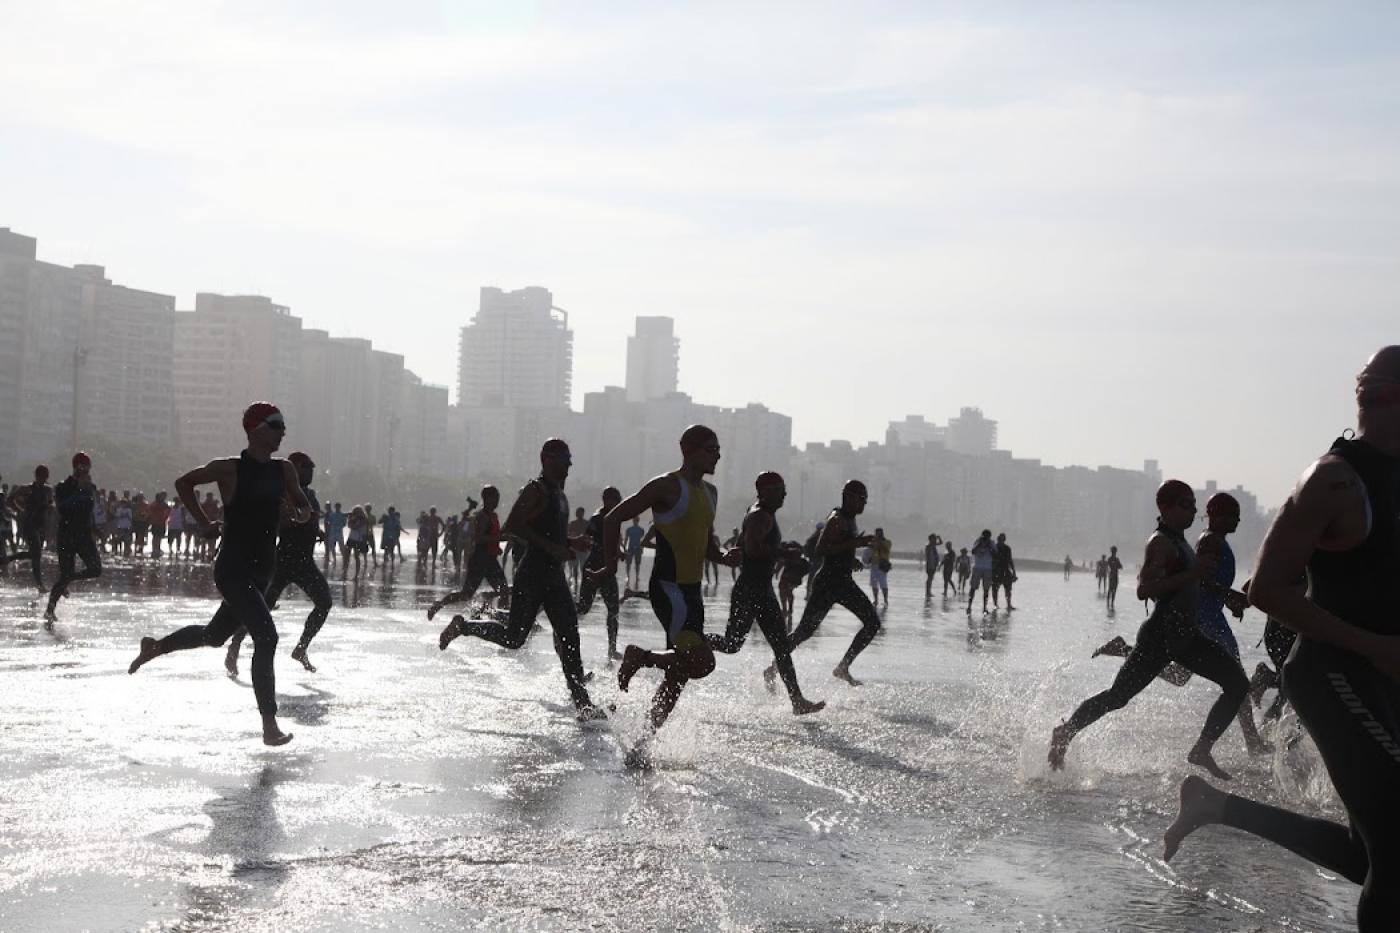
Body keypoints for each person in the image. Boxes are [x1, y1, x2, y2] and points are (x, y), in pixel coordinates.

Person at [1163, 347, 1400, 929]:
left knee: (1371, 852)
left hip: (1386, 677)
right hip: (1334, 673)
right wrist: (1373, 647)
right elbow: (1265, 588)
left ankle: (1214, 805)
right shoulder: (1333, 482)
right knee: (1397, 852)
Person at [128, 402, 311, 746]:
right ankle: (269, 725)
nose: (282, 431)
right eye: (276, 425)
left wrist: (296, 515)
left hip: (262, 571)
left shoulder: (284, 471)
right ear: (255, 429)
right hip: (232, 568)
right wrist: (202, 521)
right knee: (267, 637)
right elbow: (184, 483)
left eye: (283, 425)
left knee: (214, 636)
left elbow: (304, 509)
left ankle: (156, 646)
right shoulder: (228, 469)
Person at [1048, 480, 1248, 780]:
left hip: (1187, 636)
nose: (1192, 510)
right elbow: (1145, 589)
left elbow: (1193, 581)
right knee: (1117, 697)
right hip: (1161, 636)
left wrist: (1225, 594)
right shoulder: (1161, 542)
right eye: (1185, 504)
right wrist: (1193, 574)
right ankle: (1065, 732)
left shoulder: (1181, 542)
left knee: (1238, 684)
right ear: (1164, 507)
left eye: (1194, 505)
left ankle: (1202, 749)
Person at [590, 425, 727, 767]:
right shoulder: (666, 486)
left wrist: (725, 556)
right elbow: (613, 518)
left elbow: (708, 545)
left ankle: (641, 746)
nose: (717, 455)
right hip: (668, 589)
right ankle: (640, 656)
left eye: (719, 449)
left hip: (692, 594)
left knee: (678, 676)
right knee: (702, 662)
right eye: (712, 449)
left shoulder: (711, 493)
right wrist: (609, 566)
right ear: (689, 450)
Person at [438, 441, 603, 720]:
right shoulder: (535, 490)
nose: (569, 464)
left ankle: (583, 703)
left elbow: (550, 533)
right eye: (564, 459)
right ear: (547, 459)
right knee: (515, 638)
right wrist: (552, 548)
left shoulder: (560, 495)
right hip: (532, 573)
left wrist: (572, 541)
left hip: (554, 574)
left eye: (570, 458)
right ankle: (463, 626)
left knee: (569, 633)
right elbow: (513, 526)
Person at [708, 472, 825, 716]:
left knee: (778, 646)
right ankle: (694, 640)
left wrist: (780, 549)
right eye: (780, 489)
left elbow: (744, 545)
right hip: (753, 589)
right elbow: (752, 548)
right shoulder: (760, 515)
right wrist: (784, 554)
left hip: (759, 588)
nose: (784, 494)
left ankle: (797, 700)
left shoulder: (759, 512)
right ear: (766, 491)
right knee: (733, 644)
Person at [225, 450, 332, 675]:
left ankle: (302, 647)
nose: (311, 471)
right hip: (281, 562)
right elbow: (279, 522)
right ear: (294, 470)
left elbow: (308, 519)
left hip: (304, 562)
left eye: (312, 467)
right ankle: (234, 645)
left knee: (324, 603)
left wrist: (315, 531)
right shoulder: (283, 493)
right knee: (260, 609)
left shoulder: (309, 494)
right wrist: (296, 521)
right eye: (306, 467)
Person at [771, 479, 882, 687]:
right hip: (828, 584)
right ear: (848, 497)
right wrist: (855, 543)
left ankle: (843, 666)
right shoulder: (836, 518)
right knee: (804, 632)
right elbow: (821, 549)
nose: (864, 504)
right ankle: (772, 668)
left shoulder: (850, 519)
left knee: (873, 623)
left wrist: (851, 559)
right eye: (861, 499)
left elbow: (839, 547)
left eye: (865, 500)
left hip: (844, 582)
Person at [428, 485, 509, 625]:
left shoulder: (493, 516)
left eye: (498, 499)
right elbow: (478, 538)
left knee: (504, 590)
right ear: (487, 499)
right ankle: (439, 604)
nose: (497, 502)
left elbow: (496, 534)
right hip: (479, 559)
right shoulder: (482, 516)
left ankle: (502, 620)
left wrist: (506, 535)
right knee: (466, 594)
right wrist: (498, 538)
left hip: (491, 559)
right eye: (495, 498)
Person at [44, 453, 101, 622]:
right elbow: (62, 508)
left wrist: (95, 527)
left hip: (84, 534)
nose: (84, 470)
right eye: (81, 467)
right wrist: (79, 489)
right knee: (65, 573)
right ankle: (49, 609)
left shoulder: (91, 486)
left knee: (95, 569)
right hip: (67, 534)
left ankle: (69, 579)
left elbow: (89, 510)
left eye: (86, 467)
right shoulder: (63, 486)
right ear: (75, 467)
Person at [575, 487, 624, 662]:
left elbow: (618, 540)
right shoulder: (597, 519)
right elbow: (586, 538)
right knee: (583, 607)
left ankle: (612, 649)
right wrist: (601, 548)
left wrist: (620, 550)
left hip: (608, 570)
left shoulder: (617, 518)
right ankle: (557, 613)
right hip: (593, 567)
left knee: (614, 610)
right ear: (606, 500)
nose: (618, 502)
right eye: (615, 499)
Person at [4, 465, 53, 589]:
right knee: (35, 553)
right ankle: (40, 585)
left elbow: (50, 503)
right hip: (29, 524)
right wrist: (20, 510)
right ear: (37, 476)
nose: (43, 480)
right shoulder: (27, 489)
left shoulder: (48, 490)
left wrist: (48, 508)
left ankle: (9, 558)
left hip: (41, 525)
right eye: (42, 477)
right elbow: (10, 500)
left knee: (35, 555)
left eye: (45, 477)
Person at [967, 530, 995, 614]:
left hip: (987, 568)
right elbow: (973, 551)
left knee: (986, 589)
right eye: (984, 536)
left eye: (987, 536)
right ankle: (969, 606)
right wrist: (980, 544)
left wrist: (989, 546)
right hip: (978, 567)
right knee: (973, 588)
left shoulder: (992, 543)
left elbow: (995, 554)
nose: (986, 538)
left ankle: (985, 608)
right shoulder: (977, 541)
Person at [990, 532, 1017, 610]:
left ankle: (1008, 604)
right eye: (1000, 539)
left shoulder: (1007, 548)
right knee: (995, 589)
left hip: (1004, 570)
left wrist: (1014, 571)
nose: (1001, 541)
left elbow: (1010, 560)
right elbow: (991, 560)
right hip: (997, 571)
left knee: (1007, 589)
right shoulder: (994, 548)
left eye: (1002, 539)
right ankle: (996, 604)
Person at [868, 527, 892, 609]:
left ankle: (885, 600)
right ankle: (876, 600)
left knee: (883, 583)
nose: (877, 535)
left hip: (882, 565)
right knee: (874, 583)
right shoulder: (873, 543)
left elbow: (885, 549)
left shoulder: (887, 542)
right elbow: (871, 551)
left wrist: (878, 542)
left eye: (878, 533)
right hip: (874, 565)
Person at [566, 505, 588, 591]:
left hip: (583, 548)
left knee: (583, 567)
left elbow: (590, 535)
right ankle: (575, 582)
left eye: (580, 512)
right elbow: (568, 534)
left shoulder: (586, 524)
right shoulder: (572, 524)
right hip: (574, 548)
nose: (578, 514)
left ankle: (583, 582)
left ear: (582, 513)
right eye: (577, 512)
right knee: (575, 567)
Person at [623, 516, 647, 589]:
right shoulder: (630, 529)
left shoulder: (640, 530)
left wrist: (624, 548)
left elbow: (643, 540)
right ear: (634, 521)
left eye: (636, 520)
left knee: (636, 564)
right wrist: (624, 548)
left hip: (636, 548)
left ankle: (635, 576)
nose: (635, 521)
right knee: (630, 564)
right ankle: (629, 576)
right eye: (635, 520)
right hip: (632, 548)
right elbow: (626, 539)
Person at [923, 533, 943, 598]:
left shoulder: (933, 545)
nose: (935, 540)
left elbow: (941, 542)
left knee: (931, 578)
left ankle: (929, 592)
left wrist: (939, 537)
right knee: (929, 578)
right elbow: (928, 556)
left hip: (933, 564)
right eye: (934, 539)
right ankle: (927, 592)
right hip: (930, 565)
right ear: (931, 539)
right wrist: (930, 564)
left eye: (935, 539)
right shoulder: (928, 546)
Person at [1105, 546, 1123, 611]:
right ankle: (1109, 602)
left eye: (1114, 551)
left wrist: (1116, 565)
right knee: (1111, 589)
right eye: (1113, 551)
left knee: (1113, 589)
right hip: (1112, 576)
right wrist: (1116, 566)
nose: (1114, 552)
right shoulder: (1110, 559)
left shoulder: (1115, 559)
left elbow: (1120, 566)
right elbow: (1119, 566)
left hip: (1114, 576)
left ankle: (1111, 602)